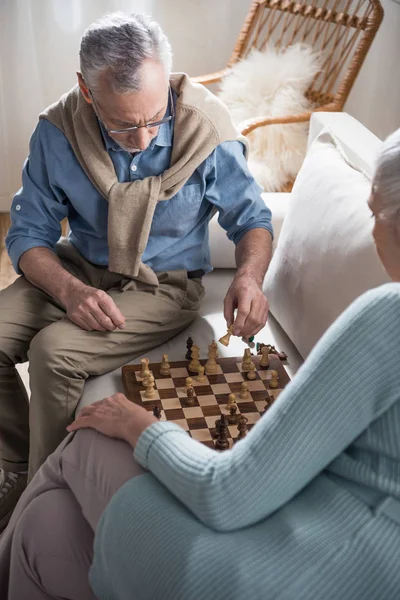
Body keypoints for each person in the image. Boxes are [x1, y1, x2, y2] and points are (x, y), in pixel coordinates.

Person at [0, 131, 399, 600]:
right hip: (342, 560)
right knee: (44, 527)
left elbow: (230, 494)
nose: (371, 234)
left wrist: (138, 425)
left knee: (88, 438)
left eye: (375, 215)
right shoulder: (61, 129)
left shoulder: (388, 314)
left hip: (264, 574)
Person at [0, 11, 273, 524]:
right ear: (86, 91)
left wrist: (248, 277)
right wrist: (69, 289)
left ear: (167, 83)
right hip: (79, 266)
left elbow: (253, 219)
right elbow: (28, 235)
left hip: (163, 287)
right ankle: (16, 464)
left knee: (52, 351)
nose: (144, 139)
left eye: (156, 118)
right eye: (123, 125)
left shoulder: (207, 129)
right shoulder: (57, 130)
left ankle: (39, 497)